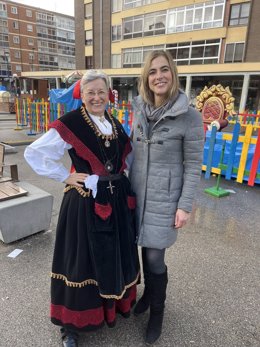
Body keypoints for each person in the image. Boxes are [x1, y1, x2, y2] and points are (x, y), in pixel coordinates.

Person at [24, 70, 140, 347]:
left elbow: (129, 158)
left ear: (109, 94)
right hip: (86, 201)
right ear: (82, 95)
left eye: (101, 91)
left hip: (116, 199)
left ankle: (114, 307)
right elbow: (35, 153)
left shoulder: (114, 121)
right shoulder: (72, 122)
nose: (97, 97)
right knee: (80, 260)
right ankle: (71, 326)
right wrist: (66, 176)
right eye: (91, 92)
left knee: (114, 252)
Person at [129, 50, 204, 345]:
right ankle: (147, 294)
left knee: (154, 256)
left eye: (164, 70)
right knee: (142, 251)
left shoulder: (189, 116)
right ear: (146, 79)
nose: (158, 76)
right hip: (136, 195)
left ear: (173, 74)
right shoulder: (139, 110)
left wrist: (184, 205)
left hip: (165, 199)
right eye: (152, 71)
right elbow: (130, 152)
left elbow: (194, 165)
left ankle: (157, 312)